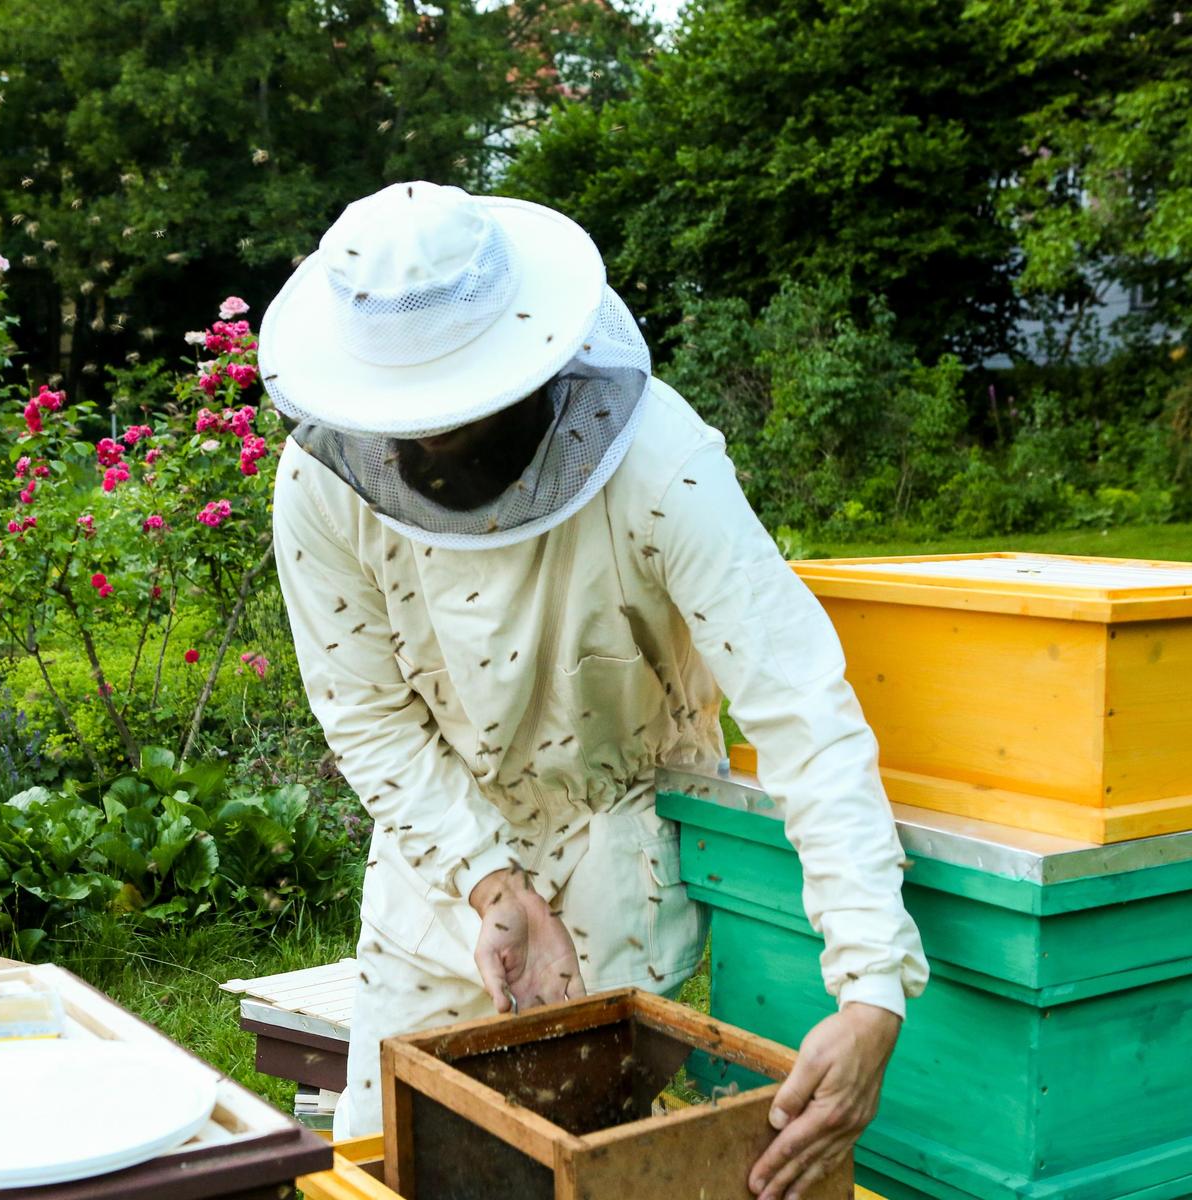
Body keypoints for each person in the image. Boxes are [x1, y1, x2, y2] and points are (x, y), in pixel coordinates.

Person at [262, 181, 928, 1200]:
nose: (435, 453)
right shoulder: (321, 482)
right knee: (381, 1161)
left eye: (460, 420)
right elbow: (367, 713)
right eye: (414, 429)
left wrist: (872, 982)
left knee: (568, 1168)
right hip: (433, 862)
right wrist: (487, 878)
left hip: (617, 849)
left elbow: (802, 706)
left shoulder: (664, 466)